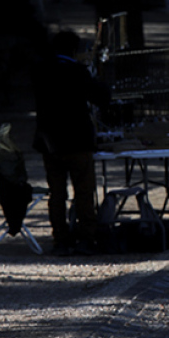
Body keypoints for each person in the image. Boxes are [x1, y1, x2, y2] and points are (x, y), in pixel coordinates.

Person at [32, 31, 111, 255]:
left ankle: (61, 239)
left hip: (50, 142)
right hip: (77, 141)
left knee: (56, 193)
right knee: (84, 191)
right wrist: (100, 79)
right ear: (74, 50)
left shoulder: (40, 70)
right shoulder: (77, 71)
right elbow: (101, 97)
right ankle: (86, 238)